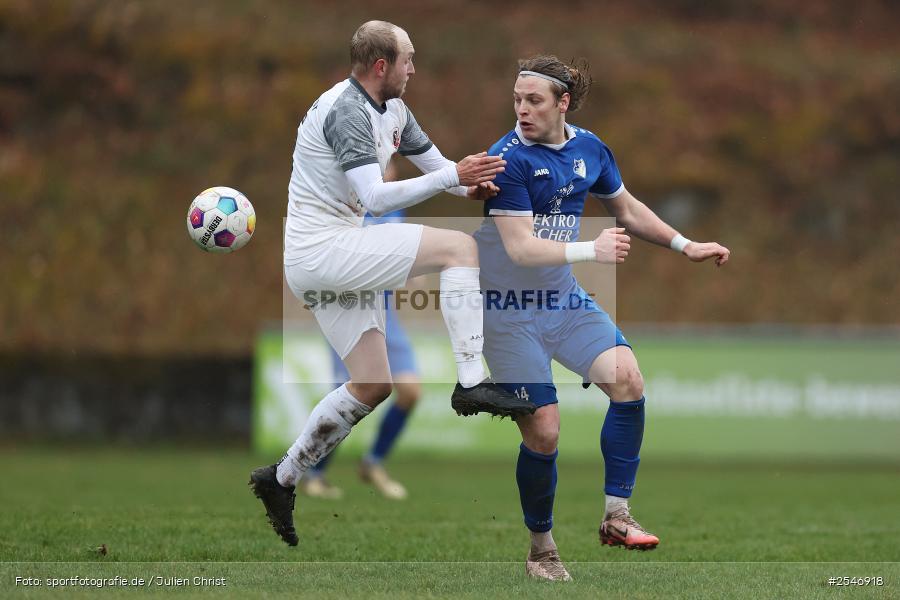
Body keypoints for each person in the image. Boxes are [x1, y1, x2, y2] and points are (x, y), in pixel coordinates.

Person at [249, 20, 536, 547]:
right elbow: (377, 199)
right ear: (381, 66)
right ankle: (472, 380)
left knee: (373, 384)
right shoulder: (347, 111)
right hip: (324, 251)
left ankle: (282, 478)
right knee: (460, 249)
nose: (414, 69)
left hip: (331, 253)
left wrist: (469, 186)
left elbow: (439, 167)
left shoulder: (394, 109)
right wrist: (454, 177)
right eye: (408, 59)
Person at [473, 55, 730, 581]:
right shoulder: (506, 160)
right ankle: (541, 550)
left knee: (628, 379)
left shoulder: (590, 148)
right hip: (507, 311)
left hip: (562, 300)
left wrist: (685, 245)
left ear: (563, 102)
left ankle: (617, 516)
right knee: (545, 431)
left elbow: (627, 209)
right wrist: (592, 249)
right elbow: (520, 249)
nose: (522, 110)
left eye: (534, 100)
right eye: (517, 100)